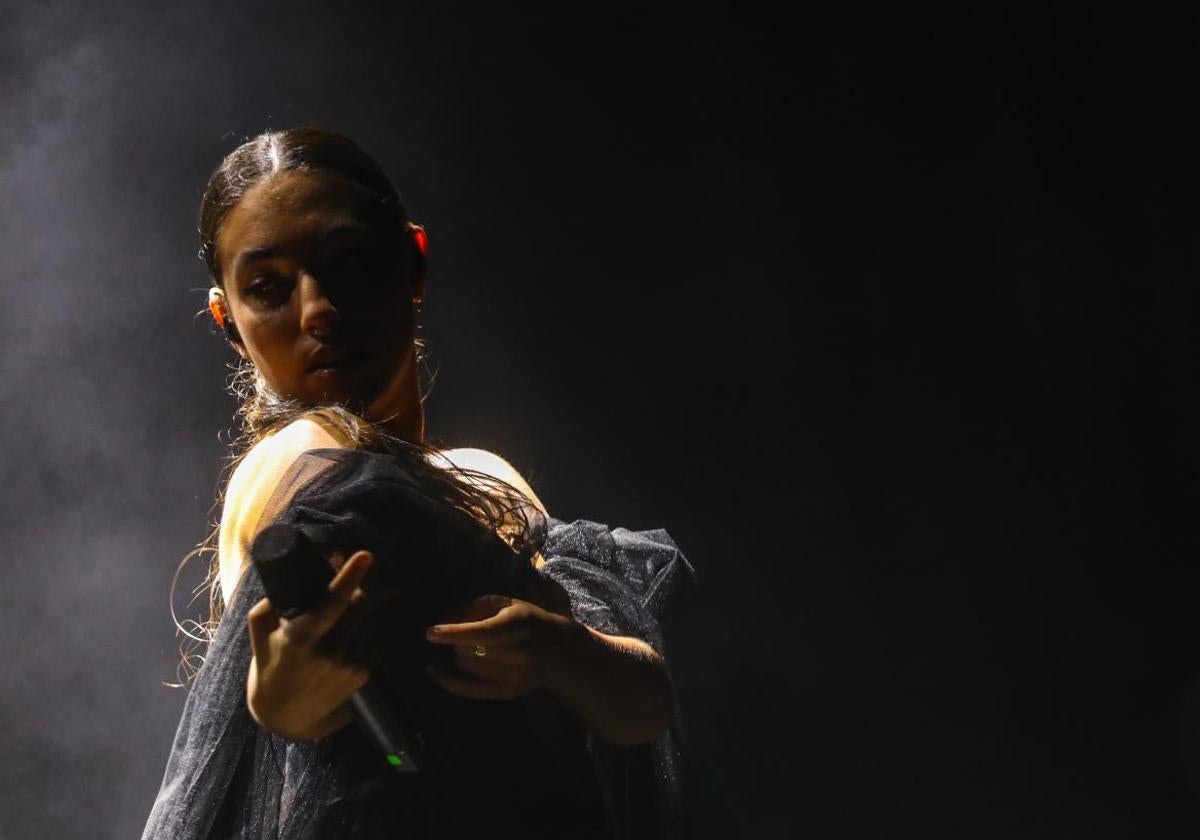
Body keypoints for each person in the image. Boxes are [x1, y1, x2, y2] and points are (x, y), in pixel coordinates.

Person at [141, 127, 697, 839]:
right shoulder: (296, 461)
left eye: (347, 264)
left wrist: (560, 649)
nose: (317, 310)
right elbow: (287, 703)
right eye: (269, 288)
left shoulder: (484, 476)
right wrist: (278, 694)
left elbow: (640, 711)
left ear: (413, 261)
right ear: (229, 321)